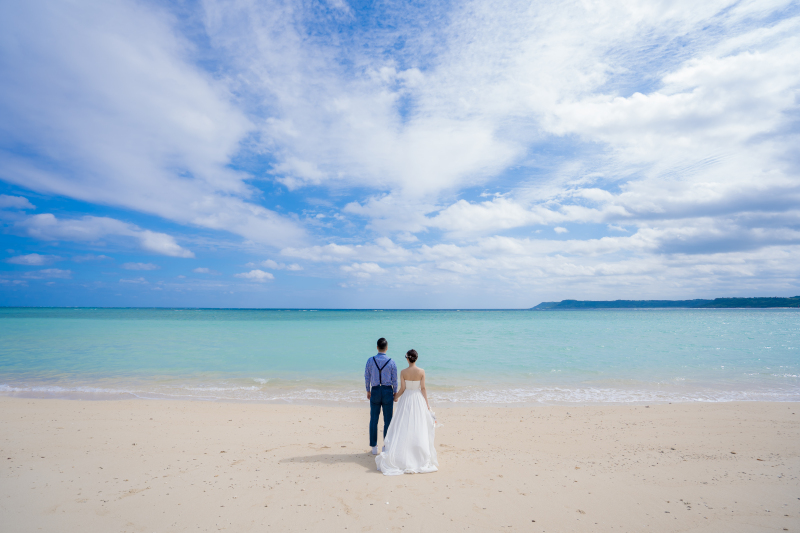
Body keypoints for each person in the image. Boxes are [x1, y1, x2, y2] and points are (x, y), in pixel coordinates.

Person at [375, 349, 438, 475]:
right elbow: (423, 388)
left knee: (403, 425)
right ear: (416, 358)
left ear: (407, 359)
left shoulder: (403, 372)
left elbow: (403, 389)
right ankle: (418, 453)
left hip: (406, 399)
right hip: (418, 399)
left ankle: (403, 452)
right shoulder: (421, 371)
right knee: (418, 426)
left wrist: (395, 397)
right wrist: (427, 404)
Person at [365, 337, 397, 455]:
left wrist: (368, 390)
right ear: (387, 348)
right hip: (388, 391)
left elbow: (367, 376)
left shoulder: (370, 360)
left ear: (377, 347)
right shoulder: (391, 361)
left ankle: (374, 447)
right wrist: (395, 392)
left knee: (374, 419)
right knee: (388, 419)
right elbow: (394, 379)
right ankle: (386, 446)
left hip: (375, 390)